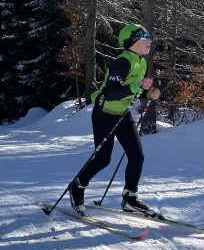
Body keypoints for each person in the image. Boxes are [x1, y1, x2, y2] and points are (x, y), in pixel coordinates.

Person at [69, 23, 161, 216]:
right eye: (145, 38)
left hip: (122, 113)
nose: (149, 41)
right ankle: (77, 186)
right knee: (103, 159)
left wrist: (149, 94)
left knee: (137, 156)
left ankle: (130, 199)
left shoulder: (141, 62)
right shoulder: (123, 62)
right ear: (133, 41)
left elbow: (134, 92)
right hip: (105, 112)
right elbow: (110, 93)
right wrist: (138, 85)